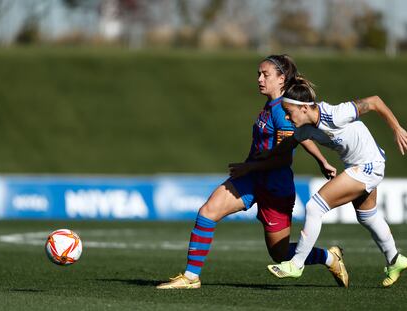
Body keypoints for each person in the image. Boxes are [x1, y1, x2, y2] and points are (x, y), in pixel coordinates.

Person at [157, 55, 348, 290]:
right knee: (208, 212)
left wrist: (250, 166)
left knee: (280, 254)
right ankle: (191, 276)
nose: (259, 79)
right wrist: (321, 160)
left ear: (281, 79)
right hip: (251, 178)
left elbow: (283, 156)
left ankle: (330, 258)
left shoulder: (282, 111)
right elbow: (299, 136)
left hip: (275, 185)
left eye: (265, 75)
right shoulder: (273, 105)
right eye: (258, 74)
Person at [231, 79, 407, 287]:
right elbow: (290, 142)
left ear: (304, 108)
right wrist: (267, 154)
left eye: (289, 112)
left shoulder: (336, 114)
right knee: (367, 216)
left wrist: (397, 129)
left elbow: (375, 102)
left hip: (369, 165)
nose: (287, 117)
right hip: (359, 166)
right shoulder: (304, 129)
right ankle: (395, 260)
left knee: (315, 207)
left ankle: (296, 264)